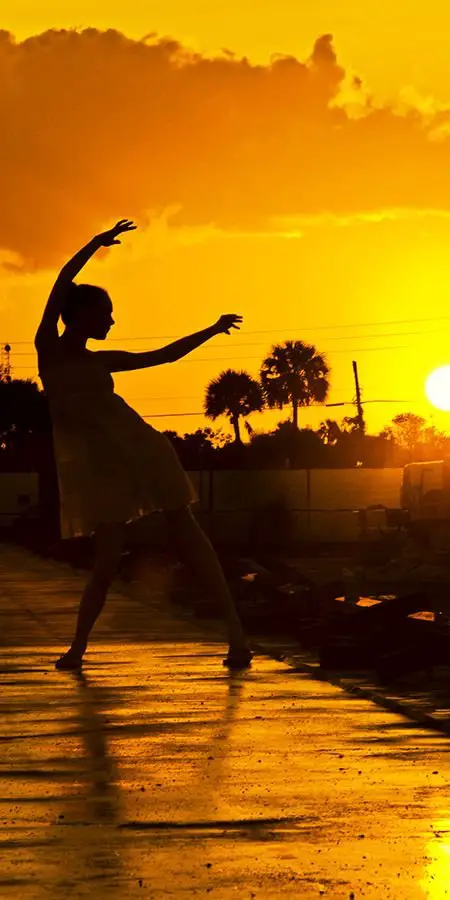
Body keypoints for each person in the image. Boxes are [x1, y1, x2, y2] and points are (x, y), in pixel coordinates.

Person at [35, 219, 253, 671]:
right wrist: (94, 243)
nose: (112, 320)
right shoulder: (49, 350)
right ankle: (78, 648)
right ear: (80, 315)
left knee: (188, 535)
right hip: (102, 472)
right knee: (106, 560)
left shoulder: (102, 361)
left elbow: (166, 356)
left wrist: (211, 330)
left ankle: (237, 637)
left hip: (143, 452)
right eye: (105, 312)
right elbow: (61, 282)